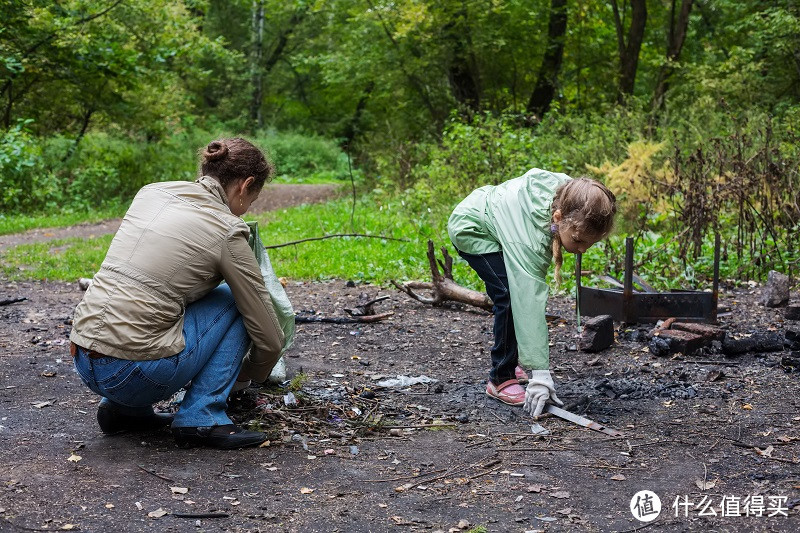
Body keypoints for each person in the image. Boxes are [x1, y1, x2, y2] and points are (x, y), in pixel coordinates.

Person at [70, 138, 285, 449]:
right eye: (252, 199)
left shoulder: (152, 192)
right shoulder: (227, 228)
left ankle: (125, 412)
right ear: (245, 185)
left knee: (153, 299)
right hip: (135, 375)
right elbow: (270, 335)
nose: (248, 208)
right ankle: (203, 415)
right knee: (238, 301)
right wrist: (246, 377)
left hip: (84, 357)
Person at [448, 168, 616, 416]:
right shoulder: (529, 240)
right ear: (558, 218)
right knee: (508, 294)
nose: (582, 250)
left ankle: (510, 357)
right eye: (579, 241)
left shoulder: (572, 195)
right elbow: (527, 300)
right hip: (473, 228)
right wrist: (540, 372)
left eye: (590, 244)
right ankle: (500, 379)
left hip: (494, 215)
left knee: (509, 294)